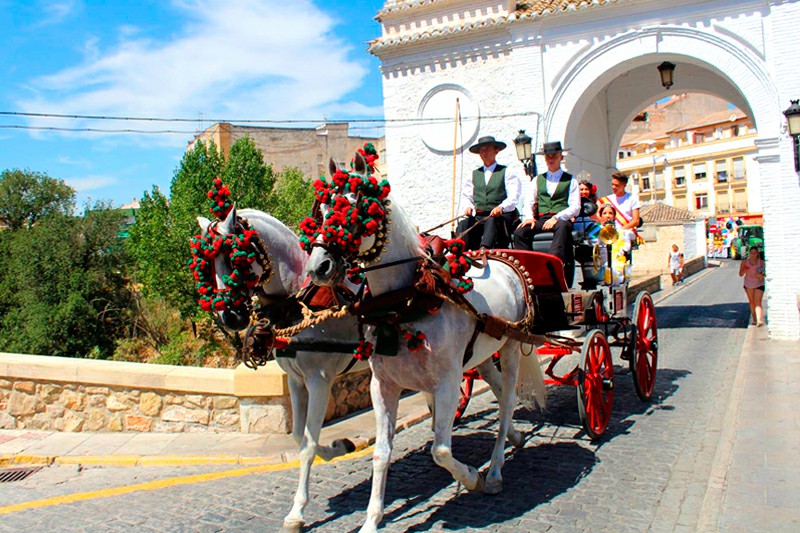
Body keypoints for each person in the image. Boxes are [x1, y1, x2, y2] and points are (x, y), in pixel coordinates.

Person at [513, 141, 580, 263]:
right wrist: (528, 218)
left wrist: (557, 217)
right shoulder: (537, 180)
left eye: (554, 155)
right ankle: (527, 264)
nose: (551, 159)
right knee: (520, 232)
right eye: (548, 156)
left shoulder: (571, 180)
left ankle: (554, 260)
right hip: (542, 219)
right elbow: (529, 202)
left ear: (561, 157)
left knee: (563, 226)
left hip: (560, 219)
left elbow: (575, 206)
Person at [456, 135, 521, 250]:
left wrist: (501, 207)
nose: (484, 153)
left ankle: (484, 249)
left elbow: (513, 196)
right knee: (463, 224)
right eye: (482, 151)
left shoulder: (506, 172)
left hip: (500, 217)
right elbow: (467, 196)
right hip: (480, 216)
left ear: (496, 151)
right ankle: (459, 252)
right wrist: (468, 207)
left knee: (491, 220)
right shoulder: (474, 174)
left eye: (487, 149)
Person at [598, 172, 641, 241]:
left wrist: (620, 230)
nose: (613, 187)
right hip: (609, 231)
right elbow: (597, 212)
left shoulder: (632, 199)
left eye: (616, 185)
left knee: (624, 235)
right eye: (612, 184)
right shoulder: (607, 199)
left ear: (624, 185)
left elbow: (636, 221)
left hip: (626, 231)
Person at [739, 246, 766, 326]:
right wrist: (745, 270)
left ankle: (759, 320)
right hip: (748, 284)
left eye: (755, 253)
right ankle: (754, 319)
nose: (753, 255)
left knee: (758, 302)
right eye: (751, 253)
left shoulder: (761, 262)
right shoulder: (744, 262)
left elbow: (764, 274)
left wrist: (761, 275)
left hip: (759, 283)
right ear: (749, 254)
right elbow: (740, 274)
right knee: (752, 302)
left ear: (757, 254)